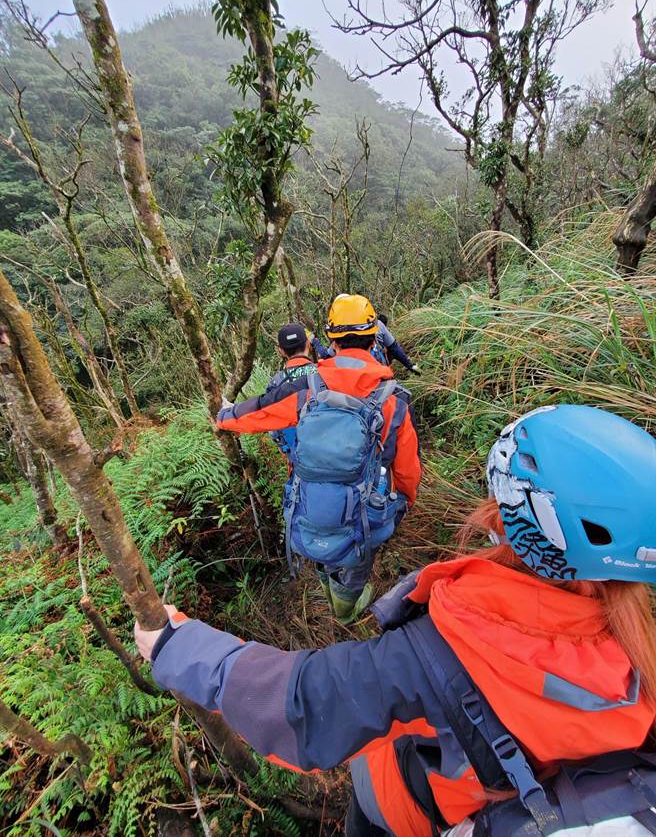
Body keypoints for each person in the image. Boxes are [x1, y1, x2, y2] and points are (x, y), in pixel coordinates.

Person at [136, 404, 656, 836]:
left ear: (506, 513)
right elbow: (405, 463)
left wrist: (172, 643)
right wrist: (402, 497)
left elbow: (299, 703)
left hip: (402, 814)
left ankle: (341, 597)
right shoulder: (640, 649)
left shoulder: (436, 653)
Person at [217, 293, 422, 621]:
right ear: (374, 337)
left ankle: (328, 588)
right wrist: (405, 501)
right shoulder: (391, 398)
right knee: (355, 564)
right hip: (363, 511)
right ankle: (345, 612)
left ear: (331, 339)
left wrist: (225, 417)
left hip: (311, 507)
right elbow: (407, 468)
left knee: (325, 551)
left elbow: (262, 411)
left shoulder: (310, 388)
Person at [312, 302, 421, 374]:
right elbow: (394, 348)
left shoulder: (319, 386)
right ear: (373, 342)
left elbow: (327, 356)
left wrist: (315, 342)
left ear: (335, 345)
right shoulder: (378, 325)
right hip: (380, 373)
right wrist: (410, 365)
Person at [265, 322, 317, 457]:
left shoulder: (276, 382)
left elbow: (273, 421)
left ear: (280, 350)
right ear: (308, 345)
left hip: (296, 452)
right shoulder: (325, 372)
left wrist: (283, 446)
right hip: (331, 448)